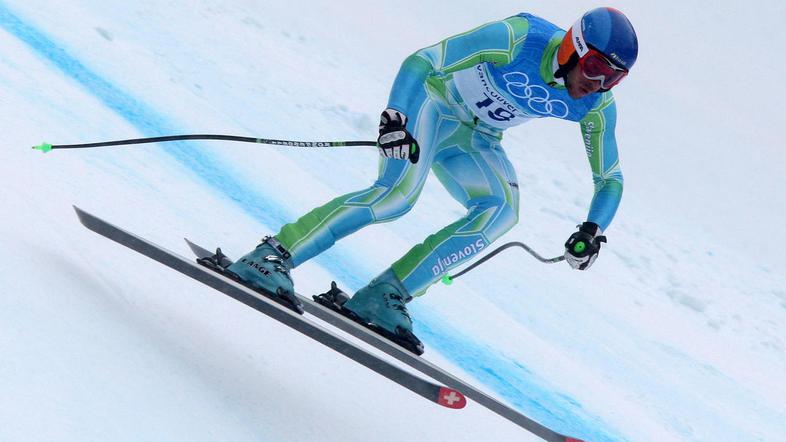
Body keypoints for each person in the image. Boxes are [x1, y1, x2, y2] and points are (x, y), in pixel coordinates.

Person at [227, 7, 638, 354]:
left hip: (477, 139)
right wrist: (395, 118)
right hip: (432, 105)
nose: (598, 84)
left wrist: (592, 229)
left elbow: (610, 178)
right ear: (571, 49)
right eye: (595, 69)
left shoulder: (596, 105)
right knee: (396, 197)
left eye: (614, 79)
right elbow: (422, 61)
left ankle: (385, 294)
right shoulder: (518, 38)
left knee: (502, 212)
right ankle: (272, 256)